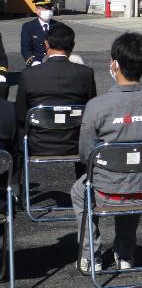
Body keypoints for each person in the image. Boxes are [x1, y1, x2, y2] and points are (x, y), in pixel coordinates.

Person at [70, 33, 142, 273]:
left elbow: (86, 155)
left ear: (114, 64)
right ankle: (125, 254)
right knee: (133, 177)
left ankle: (90, 255)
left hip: (107, 188)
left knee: (79, 191)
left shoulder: (97, 106)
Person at [15, 23, 97, 181]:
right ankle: (84, 186)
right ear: (72, 46)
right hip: (74, 142)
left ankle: (17, 189)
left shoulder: (29, 74)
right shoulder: (85, 74)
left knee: (16, 130)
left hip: (37, 143)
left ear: (46, 44)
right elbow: (90, 111)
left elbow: (20, 115)